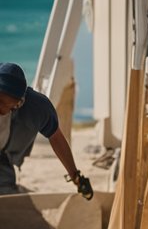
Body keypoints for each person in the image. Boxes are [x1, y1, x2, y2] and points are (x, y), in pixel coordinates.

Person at [0, 63, 92, 199]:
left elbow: (57, 138)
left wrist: (76, 177)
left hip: (5, 158)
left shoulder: (37, 107)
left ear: (18, 103)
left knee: (6, 194)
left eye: (2, 102)